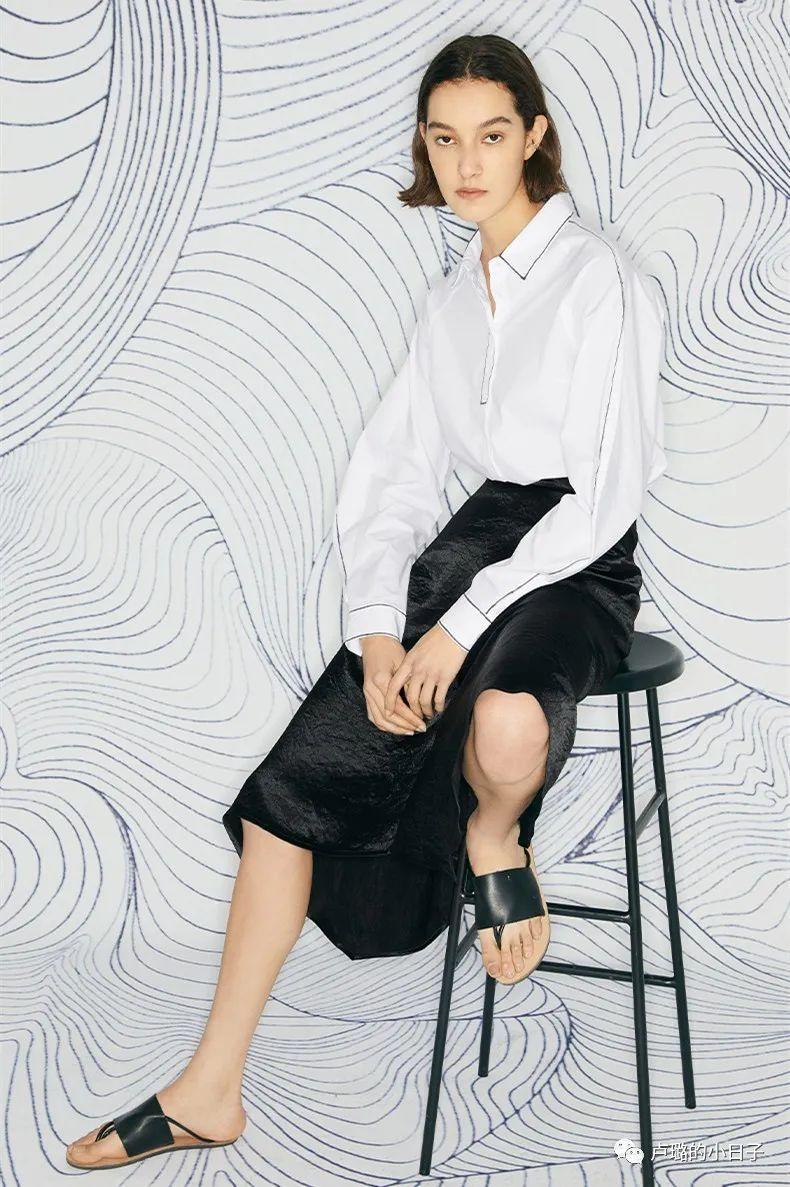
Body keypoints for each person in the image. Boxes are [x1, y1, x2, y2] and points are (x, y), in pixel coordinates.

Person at [65, 32, 666, 1171]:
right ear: (425, 149)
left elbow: (599, 499)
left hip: (573, 566)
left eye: (491, 135)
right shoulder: (448, 304)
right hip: (464, 554)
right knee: (288, 791)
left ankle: (493, 830)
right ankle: (210, 1087)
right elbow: (389, 476)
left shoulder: (603, 281)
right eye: (444, 139)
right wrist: (381, 628)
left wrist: (457, 626)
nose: (467, 163)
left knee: (506, 725)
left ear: (533, 138)